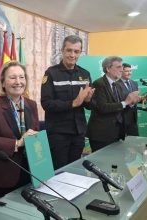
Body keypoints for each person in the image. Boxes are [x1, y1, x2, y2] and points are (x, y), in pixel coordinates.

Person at [0, 61, 39, 201]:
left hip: (29, 171)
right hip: (2, 175)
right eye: (12, 77)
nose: (18, 82)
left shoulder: (31, 105)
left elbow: (35, 134)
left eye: (21, 77)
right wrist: (18, 143)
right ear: (2, 82)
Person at [41, 35, 95, 170]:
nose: (72, 55)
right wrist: (73, 103)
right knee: (59, 171)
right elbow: (46, 103)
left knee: (75, 169)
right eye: (69, 50)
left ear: (80, 53)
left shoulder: (85, 74)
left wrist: (88, 100)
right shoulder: (51, 73)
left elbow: (90, 105)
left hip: (78, 132)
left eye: (76, 51)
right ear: (62, 51)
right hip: (58, 133)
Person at [87, 56, 140, 152]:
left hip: (117, 133)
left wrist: (132, 102)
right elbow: (103, 107)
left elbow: (121, 105)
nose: (122, 70)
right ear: (108, 69)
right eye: (118, 67)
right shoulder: (99, 84)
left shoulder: (117, 85)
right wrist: (126, 102)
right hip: (102, 135)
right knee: (103, 165)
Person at [118, 63, 139, 136]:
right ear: (121, 72)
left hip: (133, 118)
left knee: (135, 141)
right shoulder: (116, 84)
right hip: (122, 118)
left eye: (130, 71)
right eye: (127, 71)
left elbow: (136, 98)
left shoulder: (134, 83)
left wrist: (142, 99)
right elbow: (117, 100)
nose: (129, 73)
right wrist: (129, 102)